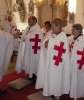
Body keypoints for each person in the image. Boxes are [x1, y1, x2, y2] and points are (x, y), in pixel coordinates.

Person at [36, 18, 70, 100]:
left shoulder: (63, 37)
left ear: (58, 26)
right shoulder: (51, 34)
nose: (52, 28)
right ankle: (50, 90)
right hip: (51, 62)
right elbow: (45, 43)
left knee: (57, 78)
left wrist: (49, 42)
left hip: (58, 63)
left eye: (53, 26)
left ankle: (57, 94)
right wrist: (47, 43)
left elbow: (58, 46)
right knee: (50, 77)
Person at [16, 16, 42, 83]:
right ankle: (30, 75)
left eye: (29, 21)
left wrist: (25, 38)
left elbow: (34, 37)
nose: (28, 22)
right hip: (29, 49)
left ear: (34, 21)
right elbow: (25, 36)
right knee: (29, 62)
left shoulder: (37, 29)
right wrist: (23, 37)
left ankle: (34, 76)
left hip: (34, 50)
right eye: (28, 21)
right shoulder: (28, 28)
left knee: (33, 62)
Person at [70, 24, 84, 100]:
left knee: (78, 79)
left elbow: (80, 52)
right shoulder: (75, 38)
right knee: (74, 78)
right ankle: (74, 93)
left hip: (78, 63)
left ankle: (78, 94)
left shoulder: (81, 40)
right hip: (75, 61)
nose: (72, 31)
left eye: (73, 29)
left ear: (78, 30)